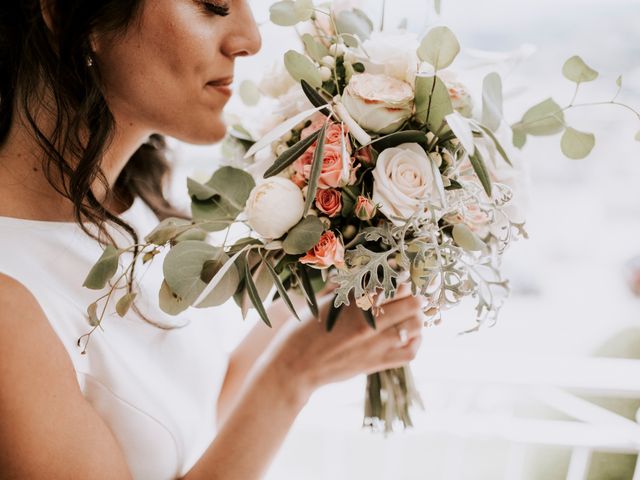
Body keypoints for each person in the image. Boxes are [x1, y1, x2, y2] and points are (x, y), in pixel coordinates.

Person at [0, 1, 424, 479]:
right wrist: (293, 376)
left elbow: (187, 421)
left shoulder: (128, 206)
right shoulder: (7, 307)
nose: (250, 39)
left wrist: (309, 295)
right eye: (210, 4)